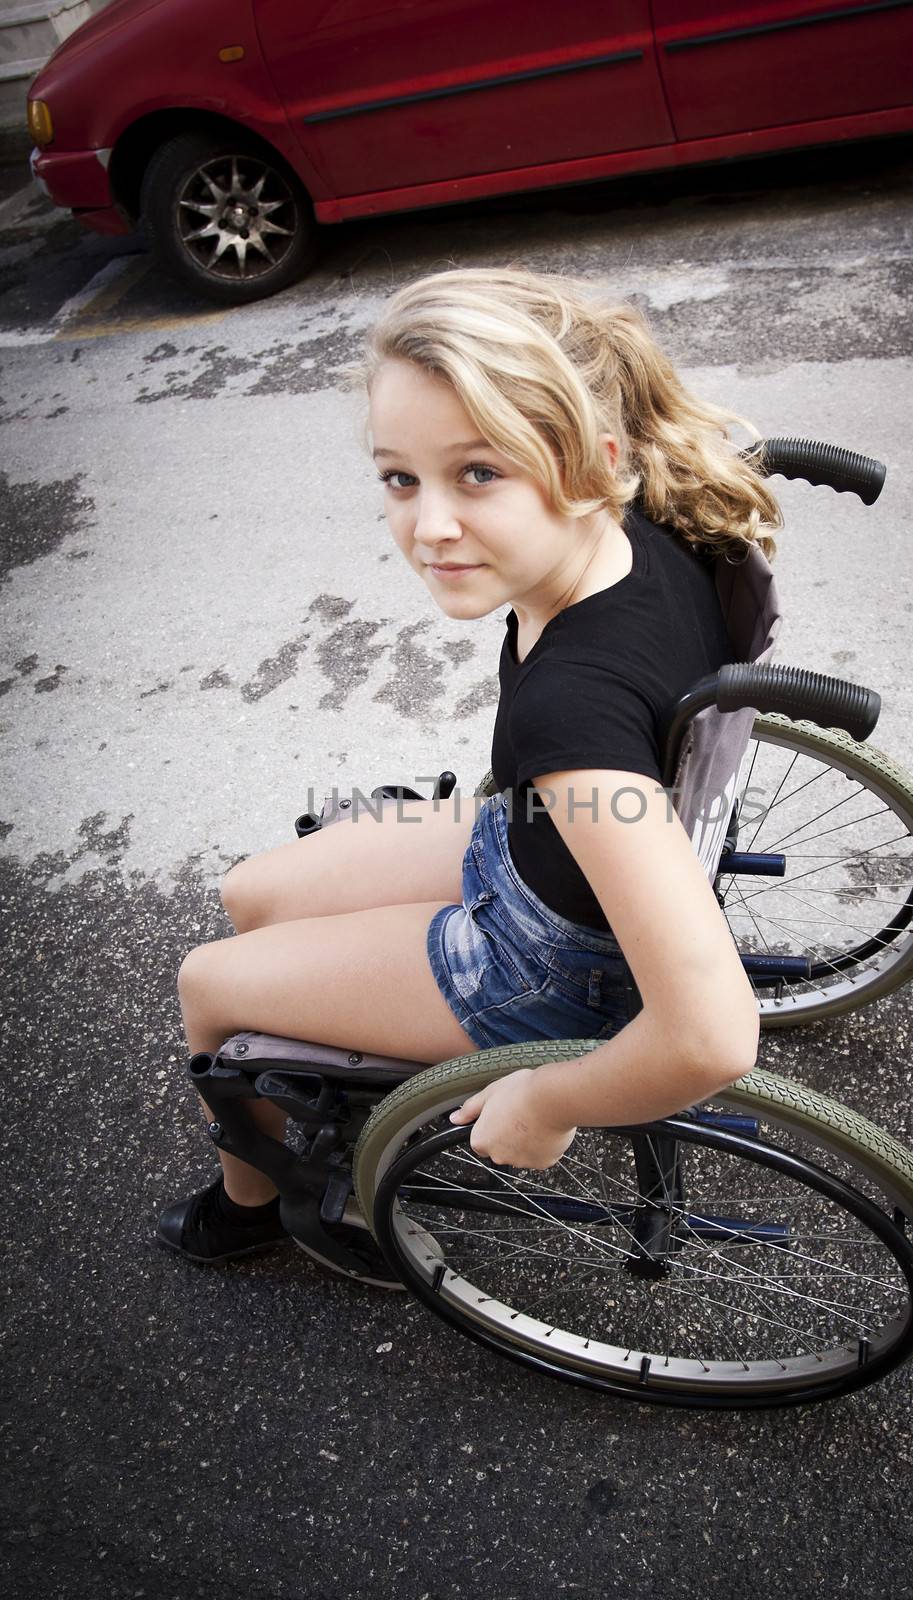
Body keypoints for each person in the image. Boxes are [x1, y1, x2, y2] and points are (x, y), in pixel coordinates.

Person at [156, 263, 782, 1284]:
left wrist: (552, 1099)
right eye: (400, 478)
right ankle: (336, 1076)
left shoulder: (572, 708)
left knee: (209, 986)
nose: (427, 525)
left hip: (542, 955)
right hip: (539, 826)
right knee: (248, 894)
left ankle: (254, 1203)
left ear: (593, 458)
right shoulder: (647, 519)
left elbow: (710, 1034)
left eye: (477, 472)